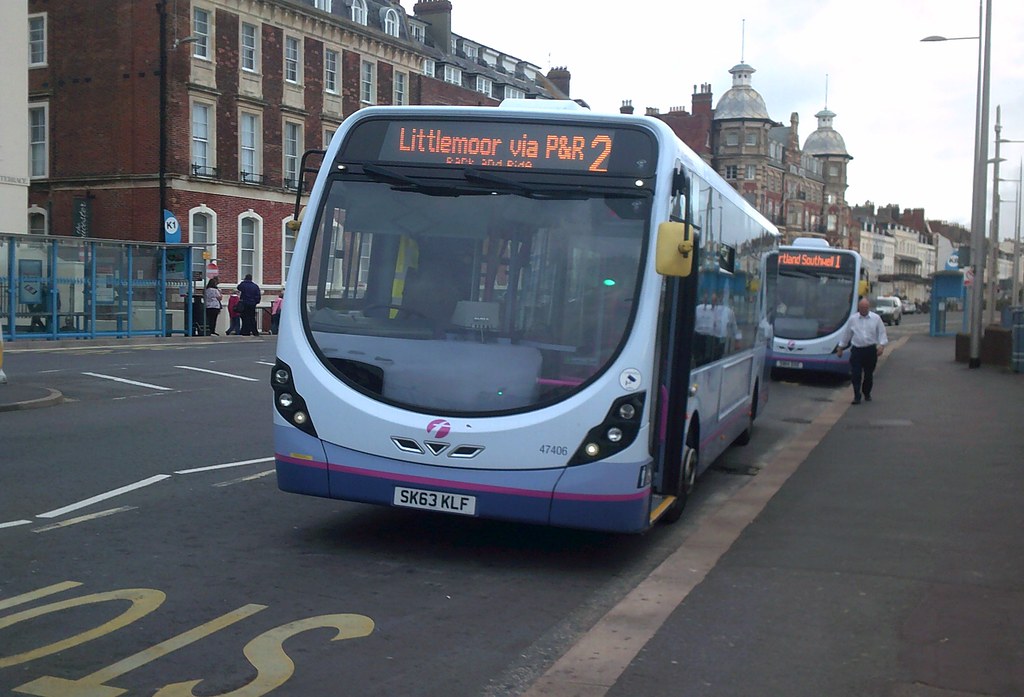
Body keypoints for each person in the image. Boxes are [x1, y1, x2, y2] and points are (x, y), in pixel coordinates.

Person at [836, 297, 889, 405]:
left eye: (865, 307)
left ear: (868, 307)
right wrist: (840, 348)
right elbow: (847, 335)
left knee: (868, 374)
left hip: (870, 350)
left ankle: (867, 392)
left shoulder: (876, 318)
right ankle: (857, 396)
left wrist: (882, 346)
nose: (863, 309)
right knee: (856, 374)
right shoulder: (853, 319)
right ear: (858, 308)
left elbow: (882, 332)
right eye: (861, 308)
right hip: (857, 350)